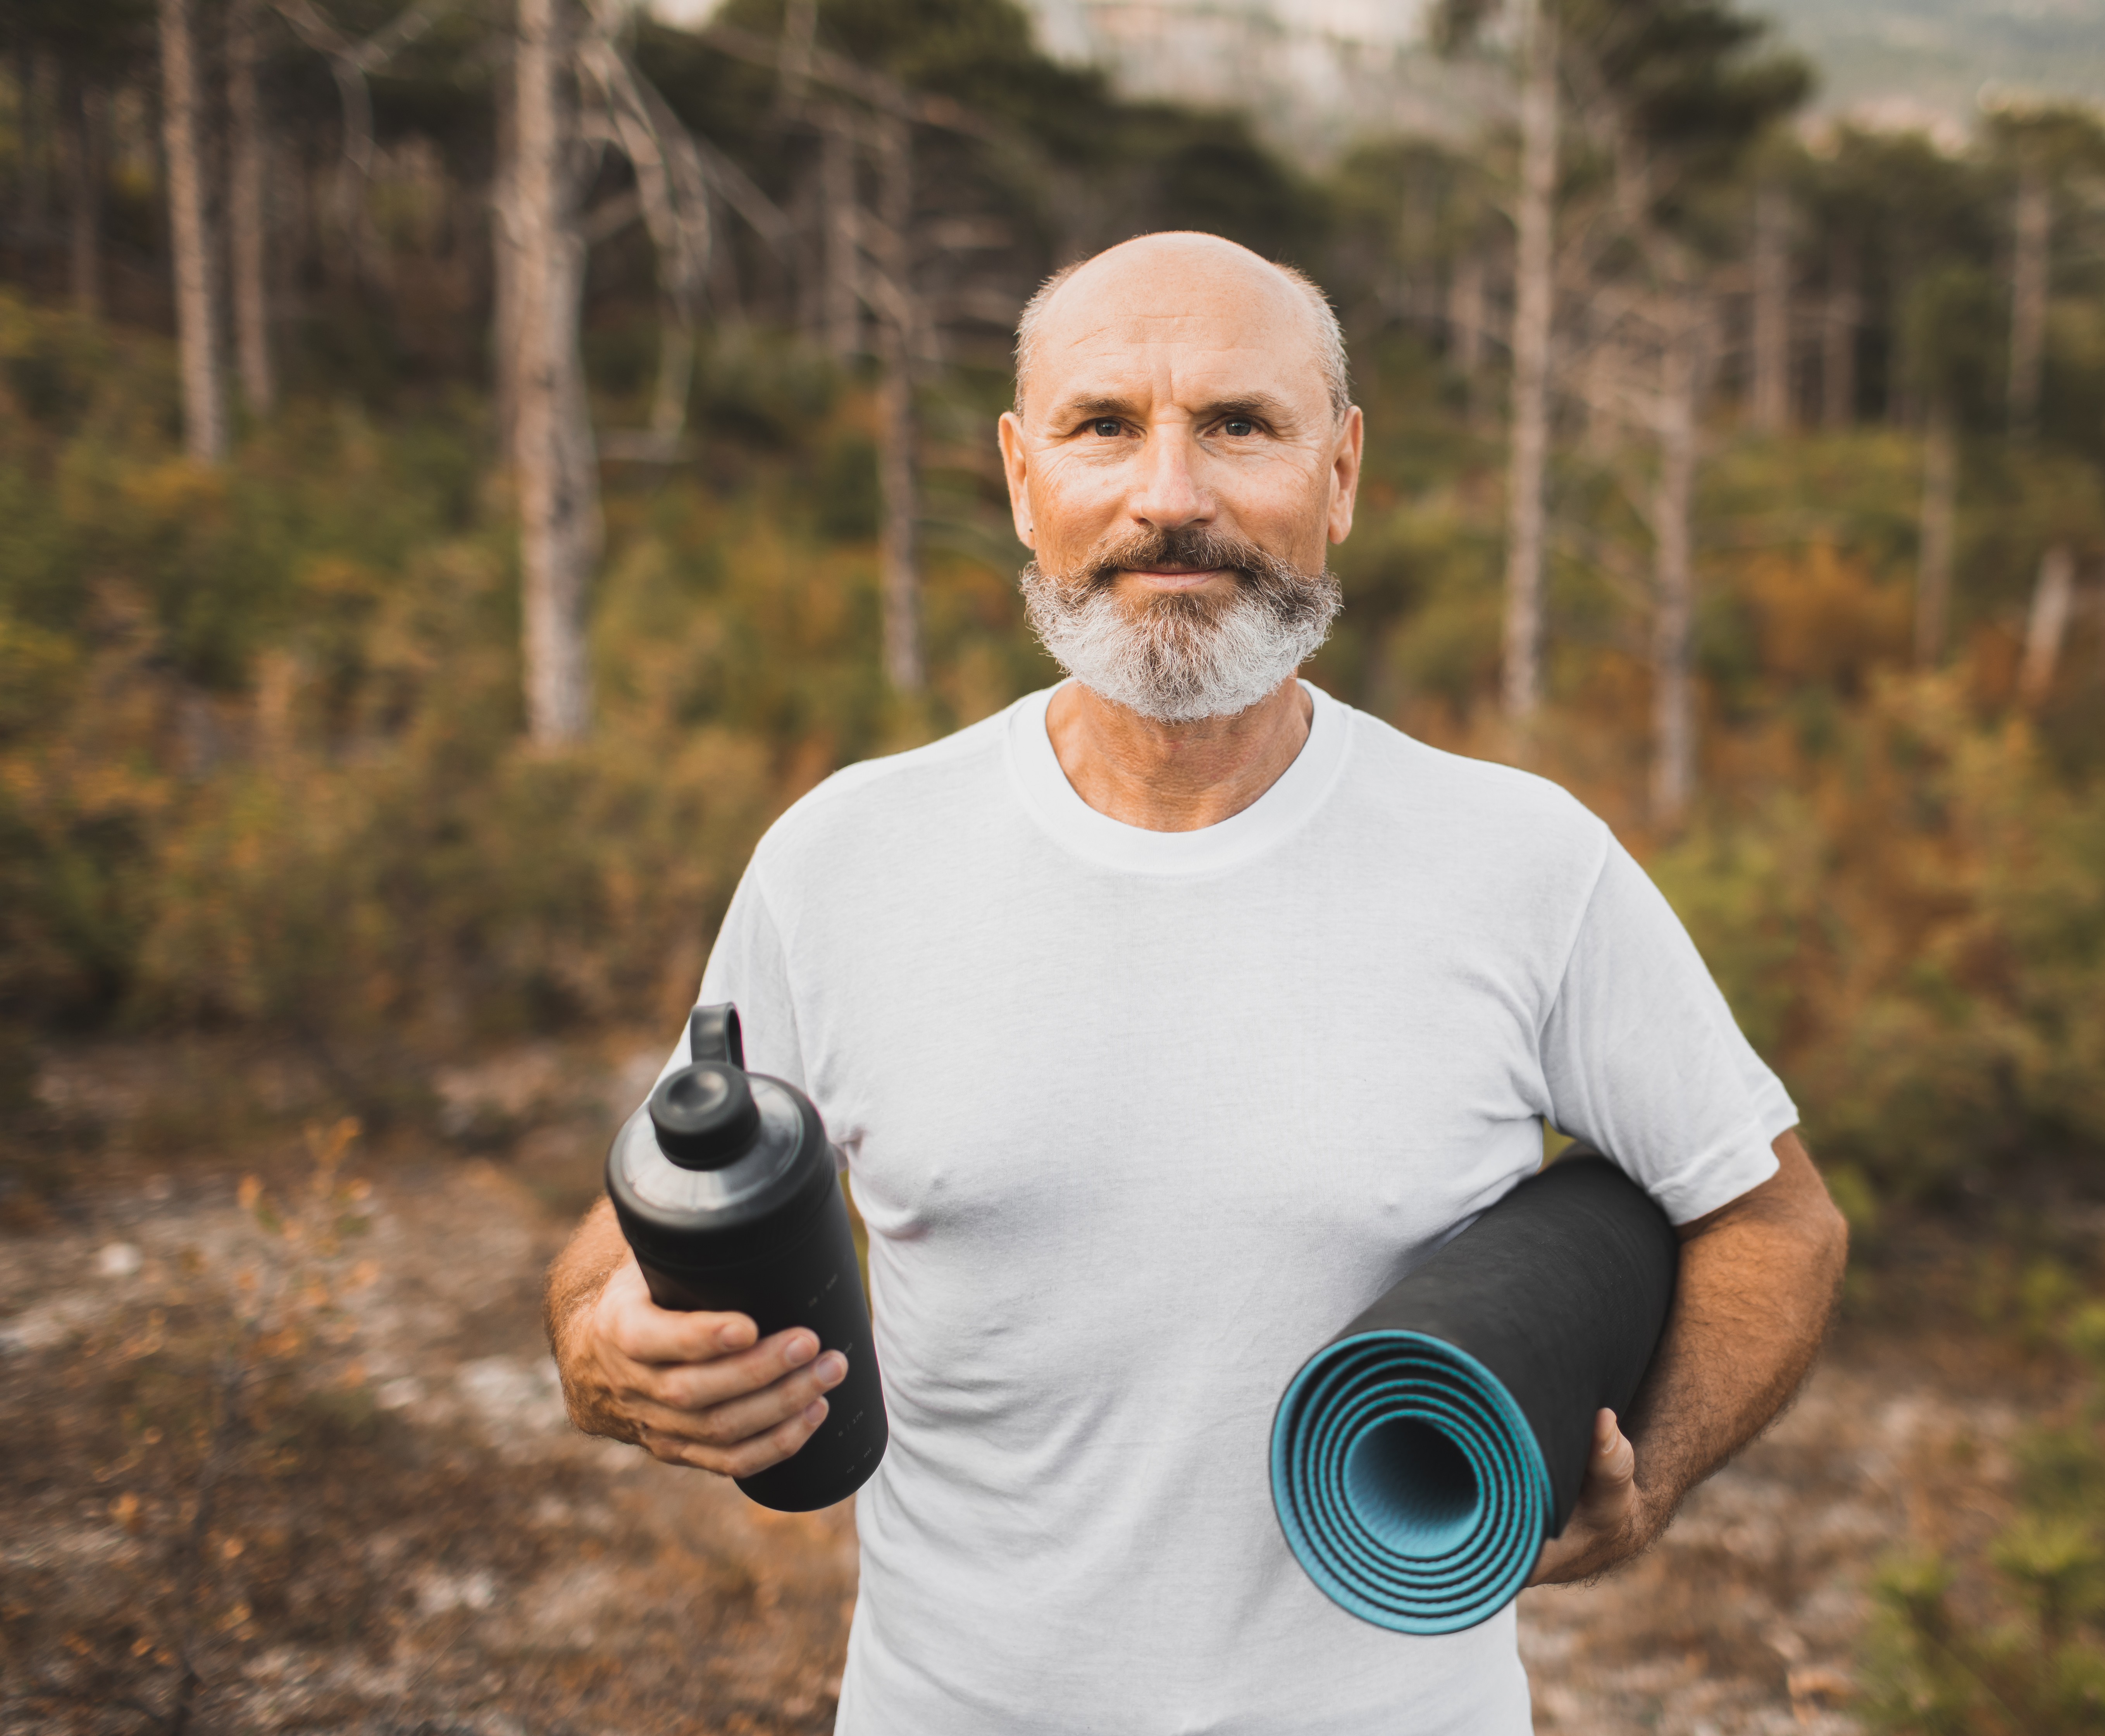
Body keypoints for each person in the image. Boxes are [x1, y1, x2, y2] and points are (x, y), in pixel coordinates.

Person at [546, 231, 1848, 1733]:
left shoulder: (1524, 861)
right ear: (1025, 478)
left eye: (1240, 424)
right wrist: (605, 1348)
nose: (1171, 494)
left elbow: (1771, 1215)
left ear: (1342, 473)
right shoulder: (846, 855)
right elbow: (642, 1211)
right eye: (1106, 427)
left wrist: (1657, 1469)